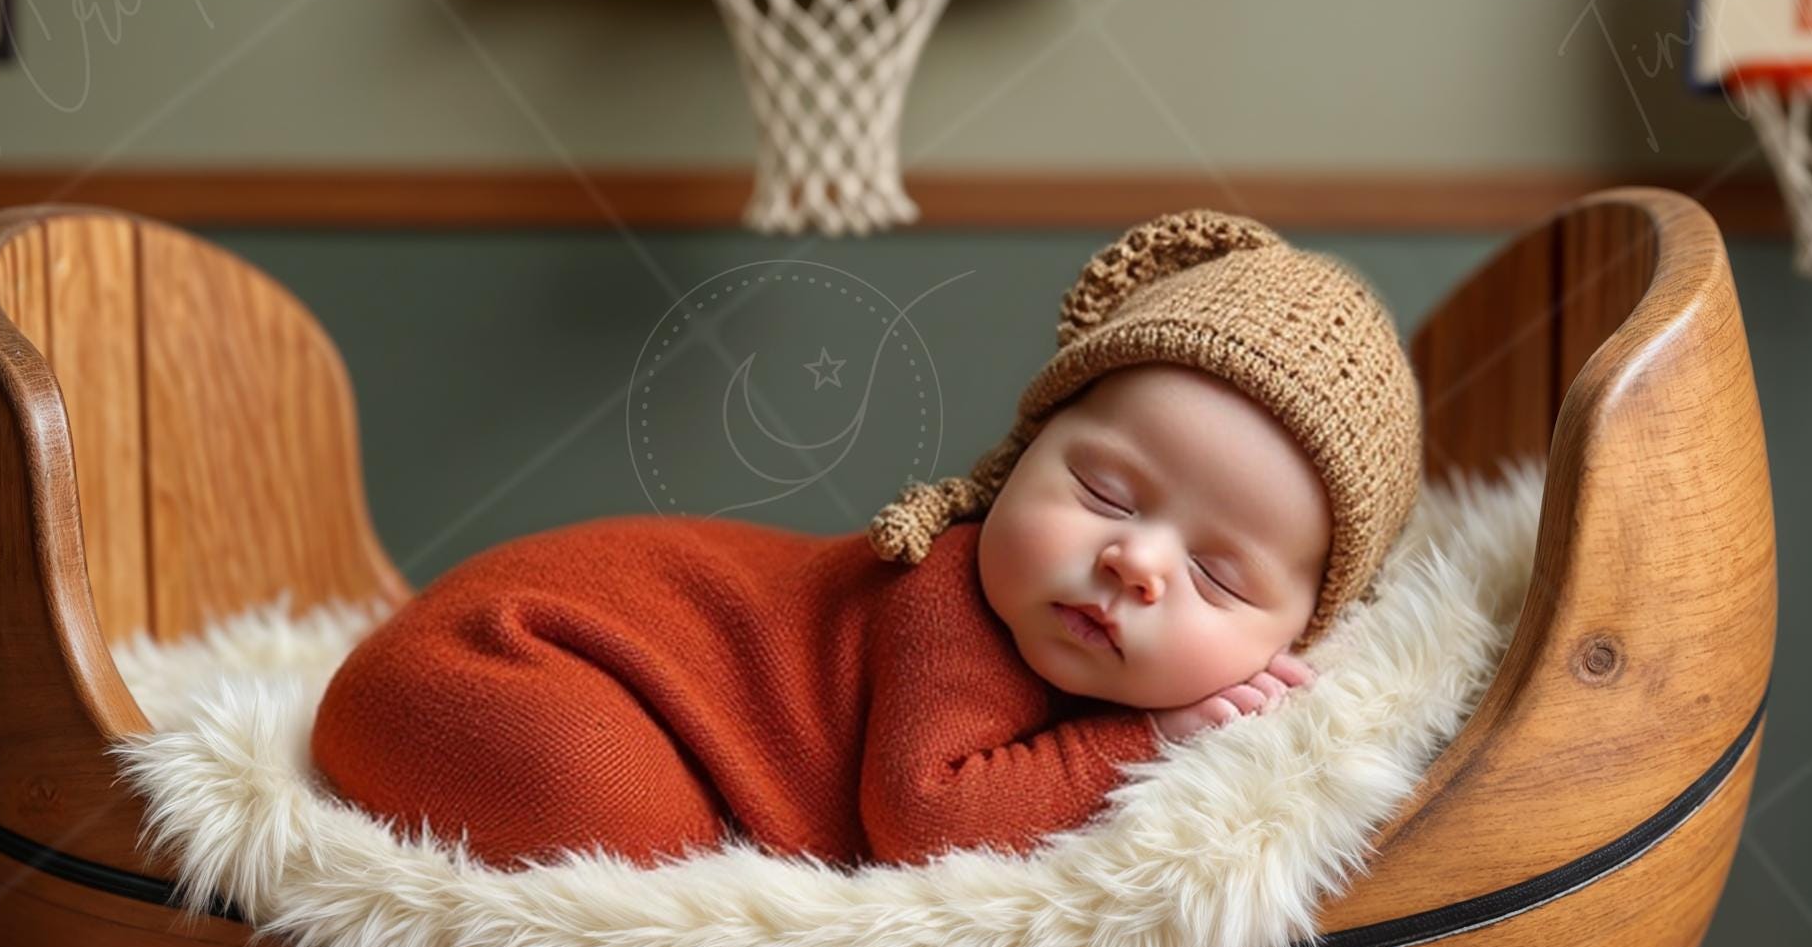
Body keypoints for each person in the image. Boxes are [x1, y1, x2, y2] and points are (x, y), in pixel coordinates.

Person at [310, 210, 1424, 870]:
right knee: (636, 833)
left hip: (494, 682)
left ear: (1300, 634)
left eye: (1219, 577)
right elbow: (927, 823)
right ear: (1014, 459)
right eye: (1102, 491)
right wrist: (1148, 738)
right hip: (497, 670)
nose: (1135, 563)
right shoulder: (946, 601)